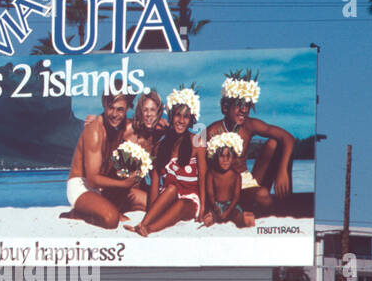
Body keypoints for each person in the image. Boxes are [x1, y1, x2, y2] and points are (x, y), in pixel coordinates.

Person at [204, 72, 295, 213]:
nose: (244, 110)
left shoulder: (249, 125)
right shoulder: (212, 131)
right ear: (225, 108)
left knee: (273, 143)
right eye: (239, 105)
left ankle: (285, 200)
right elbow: (205, 170)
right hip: (227, 187)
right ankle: (259, 200)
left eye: (247, 105)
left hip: (247, 180)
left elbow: (288, 138)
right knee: (263, 195)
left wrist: (282, 171)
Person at [130, 87, 207, 236]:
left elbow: (203, 176)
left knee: (181, 203)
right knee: (171, 188)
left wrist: (203, 206)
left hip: (189, 200)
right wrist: (151, 209)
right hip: (167, 196)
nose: (181, 121)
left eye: (186, 116)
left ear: (191, 119)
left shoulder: (197, 142)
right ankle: (143, 223)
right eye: (178, 115)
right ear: (171, 116)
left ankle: (148, 228)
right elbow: (155, 180)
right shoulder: (160, 146)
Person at [63, 92, 135, 229]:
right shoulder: (95, 130)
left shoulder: (121, 126)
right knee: (111, 219)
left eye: (120, 109)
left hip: (101, 188)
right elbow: (92, 179)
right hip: (81, 186)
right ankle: (78, 212)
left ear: (127, 109)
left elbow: (145, 126)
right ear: (104, 104)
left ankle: (96, 207)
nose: (114, 114)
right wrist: (124, 184)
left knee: (142, 203)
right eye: (110, 107)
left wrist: (164, 123)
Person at [202, 132, 249, 228]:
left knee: (239, 217)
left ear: (234, 157)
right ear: (215, 156)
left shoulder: (236, 176)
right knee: (209, 219)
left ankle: (238, 219)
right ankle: (215, 218)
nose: (225, 160)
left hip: (231, 206)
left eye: (229, 156)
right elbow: (210, 194)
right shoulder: (211, 174)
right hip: (215, 205)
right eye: (221, 156)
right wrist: (216, 208)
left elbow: (236, 197)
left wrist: (228, 211)